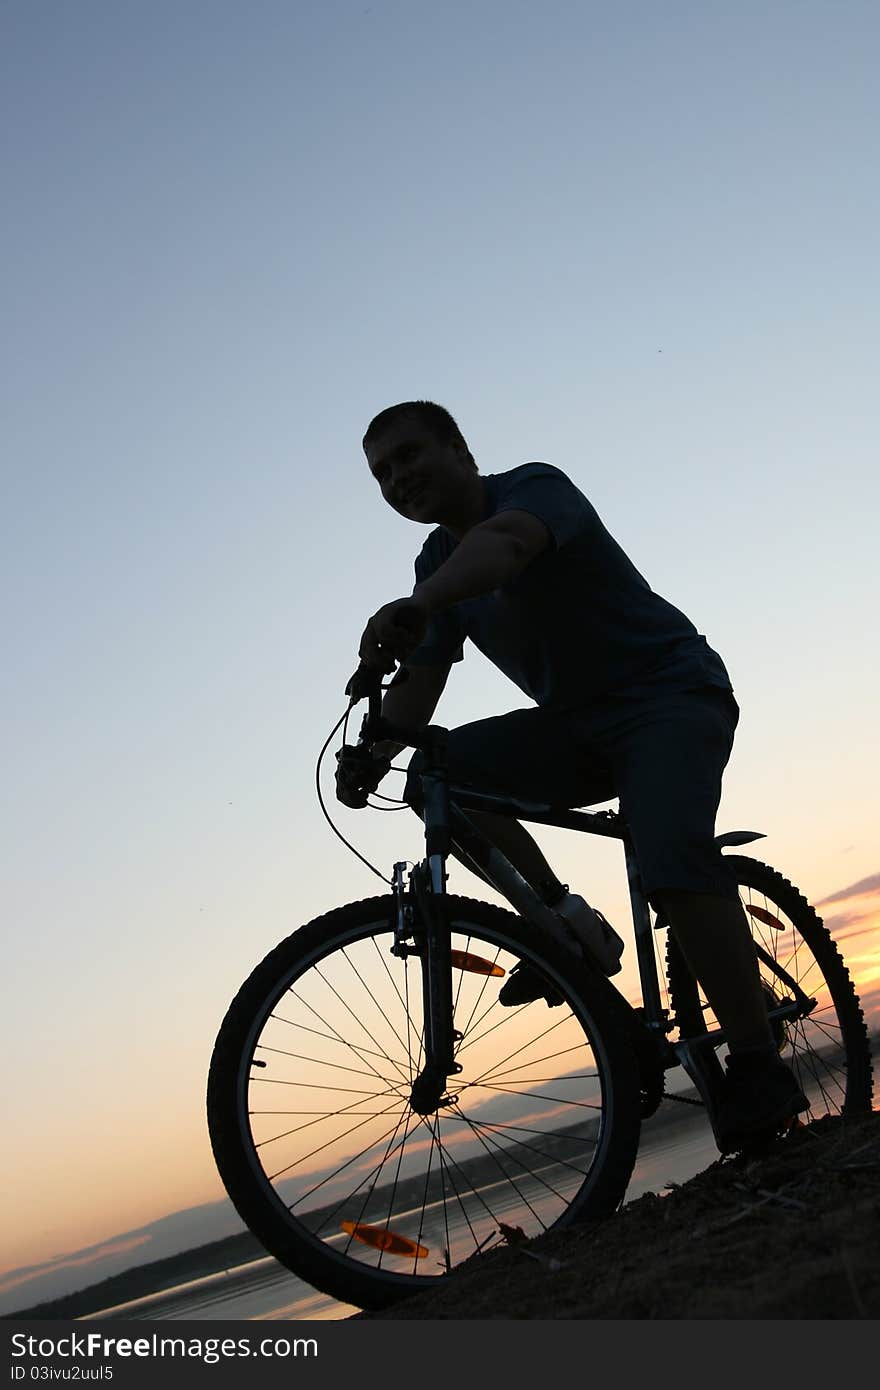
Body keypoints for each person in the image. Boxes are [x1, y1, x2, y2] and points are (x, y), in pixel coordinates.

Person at [336, 399, 808, 1153]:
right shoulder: (432, 565)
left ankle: (757, 1064)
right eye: (382, 473)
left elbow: (506, 548)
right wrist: (375, 749)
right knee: (440, 772)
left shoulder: (534, 489)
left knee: (671, 861)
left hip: (670, 696)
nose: (398, 478)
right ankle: (567, 923)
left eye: (409, 456)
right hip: (577, 728)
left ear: (459, 448)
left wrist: (420, 604)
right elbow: (420, 689)